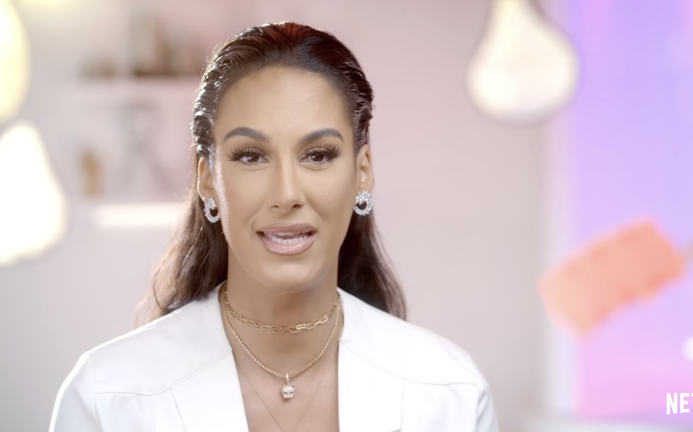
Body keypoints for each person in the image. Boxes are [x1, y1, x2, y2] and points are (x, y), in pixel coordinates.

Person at [50, 22, 498, 432]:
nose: (287, 193)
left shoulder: (449, 394)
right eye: (251, 156)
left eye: (317, 155)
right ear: (207, 180)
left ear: (362, 171)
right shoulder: (108, 398)